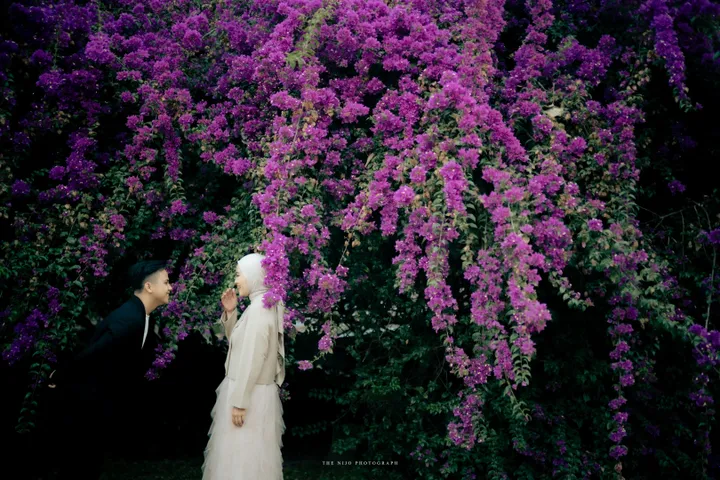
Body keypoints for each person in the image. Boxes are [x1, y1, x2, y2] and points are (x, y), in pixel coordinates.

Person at [48, 260, 172, 480]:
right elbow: (94, 353)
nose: (171, 287)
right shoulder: (130, 319)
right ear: (149, 287)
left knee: (89, 465)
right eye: (166, 282)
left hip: (100, 404)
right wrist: (59, 375)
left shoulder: (141, 315)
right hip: (86, 404)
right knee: (80, 467)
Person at [202, 253, 286, 480]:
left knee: (242, 457)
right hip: (250, 391)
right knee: (241, 455)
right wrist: (231, 313)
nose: (236, 280)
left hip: (249, 394)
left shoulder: (260, 309)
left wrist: (240, 402)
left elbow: (252, 359)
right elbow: (242, 346)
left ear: (253, 275)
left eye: (239, 275)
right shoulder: (260, 305)